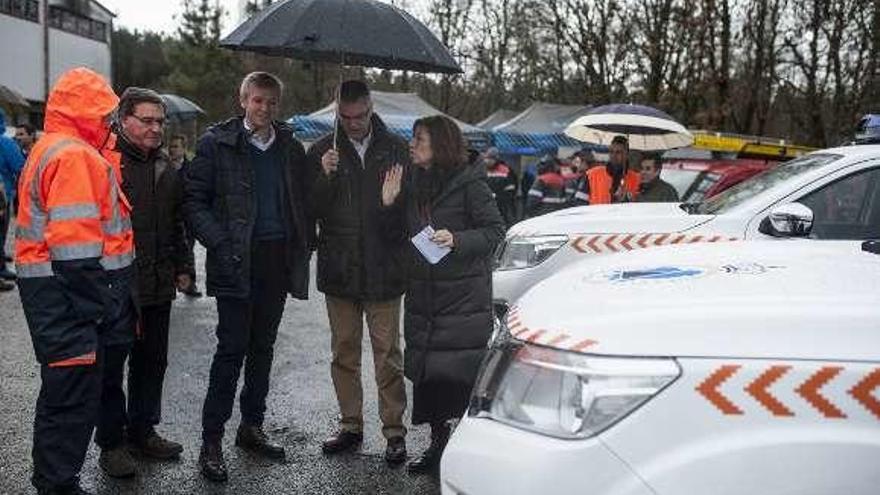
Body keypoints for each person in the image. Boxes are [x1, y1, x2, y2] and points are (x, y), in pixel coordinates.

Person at [184, 71, 313, 483]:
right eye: (257, 100)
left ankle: (251, 426)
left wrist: (323, 171)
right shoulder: (216, 143)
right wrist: (220, 242)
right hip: (236, 259)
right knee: (231, 349)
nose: (265, 108)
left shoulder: (290, 148)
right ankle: (211, 441)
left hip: (277, 259)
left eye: (272, 102)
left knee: (263, 347)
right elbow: (194, 202)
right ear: (243, 100)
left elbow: (306, 201)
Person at [15, 67, 136, 495]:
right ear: (85, 112)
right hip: (72, 306)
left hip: (54, 301)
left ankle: (54, 480)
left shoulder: (54, 148)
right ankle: (57, 484)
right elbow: (76, 253)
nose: (110, 123)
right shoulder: (75, 157)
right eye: (104, 114)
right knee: (69, 402)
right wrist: (101, 310)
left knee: (62, 397)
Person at [380, 115, 504, 474]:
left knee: (459, 379)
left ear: (441, 144)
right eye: (413, 138)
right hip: (425, 295)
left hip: (462, 299)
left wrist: (458, 239)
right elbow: (398, 234)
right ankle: (437, 447)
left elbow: (496, 231)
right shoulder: (414, 180)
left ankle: (467, 456)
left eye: (419, 139)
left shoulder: (471, 183)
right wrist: (388, 204)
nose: (412, 144)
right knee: (431, 380)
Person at [308, 80, 409, 465]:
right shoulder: (322, 151)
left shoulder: (396, 151)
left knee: (388, 356)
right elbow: (311, 211)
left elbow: (405, 221)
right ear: (337, 112)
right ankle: (351, 426)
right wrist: (324, 176)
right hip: (340, 271)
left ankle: (395, 432)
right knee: (344, 353)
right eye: (346, 117)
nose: (354, 124)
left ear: (371, 107)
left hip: (384, 272)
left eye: (361, 115)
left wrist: (388, 205)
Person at [105, 87, 193, 475]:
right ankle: (111, 443)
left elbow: (177, 224)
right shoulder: (106, 163)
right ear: (124, 121)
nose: (156, 128)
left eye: (160, 121)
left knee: (153, 360)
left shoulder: (165, 168)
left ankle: (143, 430)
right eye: (147, 120)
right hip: (117, 286)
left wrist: (184, 266)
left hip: (157, 283)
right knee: (111, 366)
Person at [166, 133, 202, 297]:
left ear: (184, 149)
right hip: (169, 215)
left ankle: (190, 283)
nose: (172, 150)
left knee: (188, 249)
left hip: (187, 216)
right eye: (171, 146)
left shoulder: (192, 168)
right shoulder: (164, 167)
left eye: (176, 147)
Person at [572, 135, 639, 205]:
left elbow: (639, 205)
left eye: (618, 152)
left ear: (627, 154)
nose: (614, 155)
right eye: (611, 151)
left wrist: (627, 200)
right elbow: (579, 203)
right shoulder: (592, 174)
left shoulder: (635, 178)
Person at [0, 108, 25, 282]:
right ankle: (1, 270)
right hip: (2, 197)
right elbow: (21, 168)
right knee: (1, 233)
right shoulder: (5, 143)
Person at [481, 146, 517, 227]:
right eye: (486, 158)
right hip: (484, 202)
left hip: (501, 204)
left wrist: (498, 196)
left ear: (496, 159)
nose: (487, 161)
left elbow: (510, 189)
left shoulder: (506, 170)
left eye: (490, 159)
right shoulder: (481, 169)